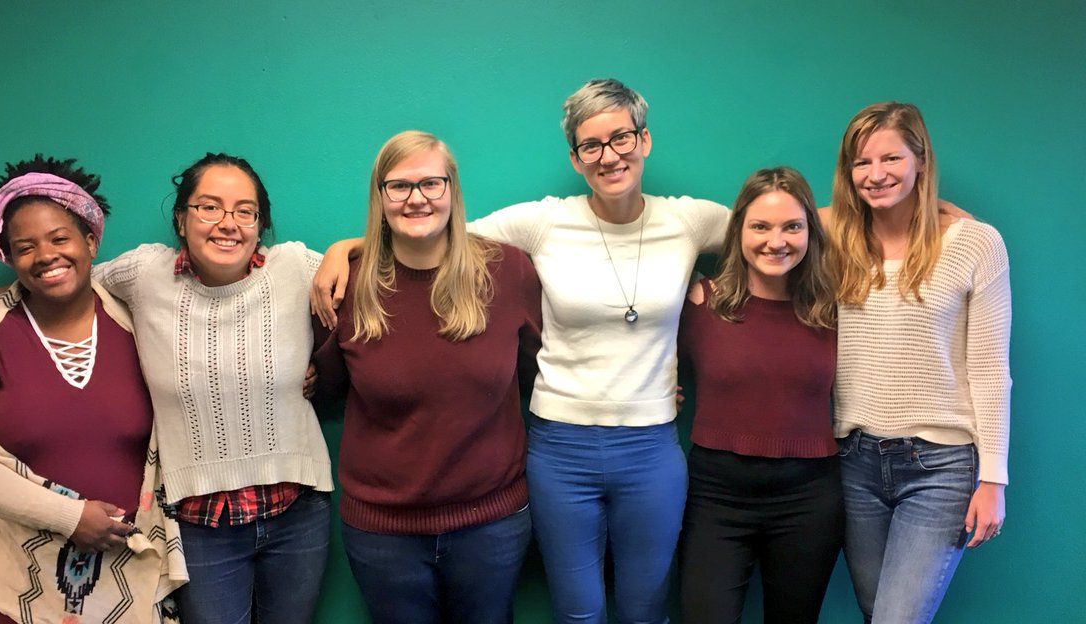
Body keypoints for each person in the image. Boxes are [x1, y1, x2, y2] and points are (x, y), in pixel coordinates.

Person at [312, 79, 729, 624]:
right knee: (578, 612)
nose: (609, 156)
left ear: (645, 140)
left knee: (645, 607)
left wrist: (710, 280)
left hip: (649, 441)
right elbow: (436, 235)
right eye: (591, 146)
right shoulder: (542, 222)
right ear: (575, 158)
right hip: (559, 443)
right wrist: (345, 249)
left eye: (621, 138)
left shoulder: (689, 221)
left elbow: (777, 230)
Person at [0, 153, 334, 624]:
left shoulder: (294, 265)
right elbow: (63, 279)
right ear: (181, 218)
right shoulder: (144, 274)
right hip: (199, 524)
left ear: (259, 223)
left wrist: (344, 250)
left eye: (244, 211)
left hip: (297, 513)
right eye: (209, 207)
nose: (228, 223)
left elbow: (374, 273)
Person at [0, 155, 186, 624]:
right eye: (25, 247)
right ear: (8, 258)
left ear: (90, 241)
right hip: (30, 583)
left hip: (137, 576)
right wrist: (68, 517)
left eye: (60, 238)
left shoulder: (137, 320)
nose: (46, 255)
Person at [312, 130, 542, 623]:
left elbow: (541, 373)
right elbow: (325, 391)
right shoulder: (346, 285)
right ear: (380, 197)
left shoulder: (509, 271)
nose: (416, 198)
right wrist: (343, 251)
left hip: (492, 524)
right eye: (399, 186)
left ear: (452, 190)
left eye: (431, 183)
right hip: (383, 534)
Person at [826, 102, 1011, 623]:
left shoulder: (975, 242)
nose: (876, 174)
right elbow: (773, 218)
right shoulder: (836, 241)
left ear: (921, 161)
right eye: (861, 163)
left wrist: (994, 479)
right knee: (874, 611)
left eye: (891, 158)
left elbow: (992, 368)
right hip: (853, 462)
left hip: (941, 467)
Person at [676, 167, 841, 623]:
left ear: (811, 230)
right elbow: (639, 362)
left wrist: (944, 212)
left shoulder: (833, 309)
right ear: (738, 232)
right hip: (716, 497)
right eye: (760, 226)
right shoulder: (699, 303)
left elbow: (878, 220)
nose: (777, 240)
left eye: (792, 226)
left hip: (810, 499)